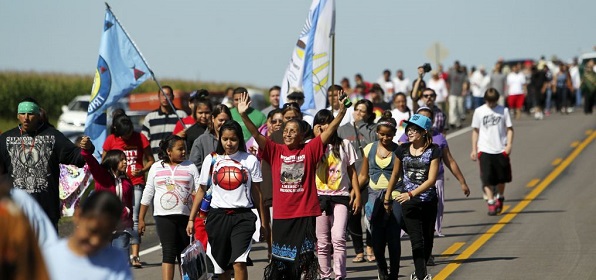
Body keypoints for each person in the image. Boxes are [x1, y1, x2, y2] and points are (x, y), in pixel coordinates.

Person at [237, 89, 348, 280]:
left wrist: (342, 113)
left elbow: (329, 131)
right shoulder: (275, 150)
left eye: (292, 131)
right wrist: (243, 114)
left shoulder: (310, 149)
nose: (287, 134)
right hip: (282, 215)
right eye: (286, 131)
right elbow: (255, 134)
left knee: (303, 260)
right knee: (281, 262)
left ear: (301, 135)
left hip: (304, 214)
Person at [187, 120, 268, 280]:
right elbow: (202, 190)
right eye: (225, 139)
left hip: (243, 218)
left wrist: (264, 223)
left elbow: (258, 194)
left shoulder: (250, 160)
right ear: (220, 139)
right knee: (221, 267)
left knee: (239, 262)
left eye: (233, 139)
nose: (229, 143)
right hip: (217, 217)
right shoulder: (211, 160)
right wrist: (191, 219)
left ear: (240, 139)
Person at [0, 97, 91, 230]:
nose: (26, 118)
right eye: (22, 114)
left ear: (38, 115)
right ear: (17, 115)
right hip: (15, 212)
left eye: (30, 114)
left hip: (46, 212)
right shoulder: (5, 139)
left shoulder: (53, 136)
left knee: (48, 251)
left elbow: (76, 157)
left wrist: (87, 148)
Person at [139, 135, 200, 280]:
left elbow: (199, 192)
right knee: (168, 252)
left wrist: (198, 216)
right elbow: (148, 193)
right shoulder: (155, 167)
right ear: (168, 151)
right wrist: (141, 218)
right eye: (180, 149)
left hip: (186, 217)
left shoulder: (190, 166)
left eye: (184, 149)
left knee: (185, 254)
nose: (184, 152)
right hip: (163, 217)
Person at [389, 114, 441, 280]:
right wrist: (387, 196)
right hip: (408, 202)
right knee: (417, 241)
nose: (409, 132)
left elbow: (431, 180)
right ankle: (421, 276)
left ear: (424, 132)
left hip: (428, 201)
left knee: (428, 240)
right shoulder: (402, 149)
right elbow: (395, 173)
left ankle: (420, 270)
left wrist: (412, 194)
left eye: (414, 129)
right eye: (408, 129)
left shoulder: (434, 150)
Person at [313, 109, 361, 280]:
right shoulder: (312, 146)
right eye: (321, 123)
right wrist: (318, 140)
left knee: (339, 237)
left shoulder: (345, 144)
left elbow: (352, 171)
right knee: (322, 242)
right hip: (319, 199)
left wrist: (356, 193)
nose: (325, 126)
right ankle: (325, 275)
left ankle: (339, 275)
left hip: (340, 196)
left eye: (328, 121)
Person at [43, 191, 133, 280]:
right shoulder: (48, 258)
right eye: (92, 231)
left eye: (105, 236)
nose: (96, 241)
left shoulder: (116, 260)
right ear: (78, 216)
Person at [103, 114, 154, 267]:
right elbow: (104, 162)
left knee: (135, 216)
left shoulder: (141, 138)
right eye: (125, 134)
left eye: (131, 131)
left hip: (136, 182)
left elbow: (150, 159)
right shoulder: (111, 140)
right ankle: (114, 251)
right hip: (116, 185)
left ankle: (135, 255)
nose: (129, 135)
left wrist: (143, 170)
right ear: (118, 131)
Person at [358, 111, 403, 280]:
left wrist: (391, 197)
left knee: (393, 238)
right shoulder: (369, 149)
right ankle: (382, 271)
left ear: (394, 134)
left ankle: (394, 274)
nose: (385, 138)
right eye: (382, 134)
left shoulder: (399, 150)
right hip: (373, 196)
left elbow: (400, 175)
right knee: (376, 239)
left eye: (389, 135)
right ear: (377, 133)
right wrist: (353, 193)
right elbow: (363, 175)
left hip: (395, 196)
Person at [81, 137, 134, 262]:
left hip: (122, 228)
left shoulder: (127, 182)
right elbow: (90, 161)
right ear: (113, 161)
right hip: (103, 228)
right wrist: (86, 149)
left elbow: (130, 204)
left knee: (121, 263)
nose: (125, 162)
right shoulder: (102, 177)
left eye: (125, 160)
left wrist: (131, 222)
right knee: (103, 263)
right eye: (121, 160)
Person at [337, 99, 377, 264]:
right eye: (357, 110)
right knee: (353, 216)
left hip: (369, 179)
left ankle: (370, 247)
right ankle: (358, 251)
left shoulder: (372, 129)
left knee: (370, 215)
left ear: (368, 114)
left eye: (363, 111)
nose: (359, 113)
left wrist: (361, 124)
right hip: (349, 180)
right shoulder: (342, 130)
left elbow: (373, 144)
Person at [470, 88, 513, 216]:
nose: (492, 104)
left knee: (501, 178)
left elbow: (510, 129)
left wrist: (509, 145)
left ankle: (499, 197)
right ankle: (490, 202)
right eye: (489, 101)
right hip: (484, 149)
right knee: (487, 178)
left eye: (494, 101)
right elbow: (475, 131)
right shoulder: (479, 111)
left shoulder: (503, 110)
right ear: (485, 100)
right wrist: (474, 149)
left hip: (501, 149)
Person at [142, 86, 188, 160]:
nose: (165, 98)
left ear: (173, 97)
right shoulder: (150, 117)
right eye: (162, 95)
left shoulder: (181, 115)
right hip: (156, 160)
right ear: (158, 97)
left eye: (168, 95)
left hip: (176, 161)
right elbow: (144, 140)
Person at [190, 104, 232, 170]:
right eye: (220, 120)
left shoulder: (235, 140)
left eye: (226, 121)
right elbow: (193, 166)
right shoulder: (201, 141)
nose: (223, 123)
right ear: (213, 119)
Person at [447, 60, 468, 128]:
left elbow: (465, 82)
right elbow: (448, 82)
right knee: (453, 108)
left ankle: (458, 123)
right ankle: (452, 122)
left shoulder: (462, 73)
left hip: (460, 94)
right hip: (452, 93)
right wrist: (448, 91)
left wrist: (464, 90)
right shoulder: (451, 73)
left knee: (459, 108)